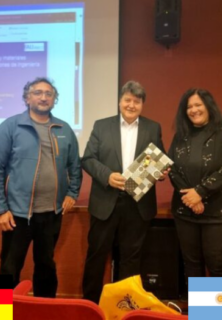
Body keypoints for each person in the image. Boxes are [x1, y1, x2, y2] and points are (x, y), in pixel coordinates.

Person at [0, 77, 82, 297]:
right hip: (17, 214)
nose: (43, 97)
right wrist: (0, 209)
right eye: (37, 92)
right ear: (27, 97)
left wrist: (73, 193)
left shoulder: (64, 129)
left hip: (52, 213)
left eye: (49, 93)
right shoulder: (10, 126)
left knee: (46, 266)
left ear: (54, 99)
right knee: (10, 267)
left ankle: (44, 311)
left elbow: (75, 166)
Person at [81, 80, 166, 303]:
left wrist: (160, 170)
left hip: (138, 204)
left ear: (142, 105)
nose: (131, 105)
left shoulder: (153, 127)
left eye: (136, 101)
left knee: (131, 259)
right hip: (105, 202)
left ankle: (124, 307)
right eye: (127, 100)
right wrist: (106, 176)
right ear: (119, 102)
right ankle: (89, 305)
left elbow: (160, 158)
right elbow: (88, 159)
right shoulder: (101, 125)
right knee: (97, 256)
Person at [168, 88, 222, 278]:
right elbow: (172, 169)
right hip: (185, 211)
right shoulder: (181, 135)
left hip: (221, 213)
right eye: (189, 107)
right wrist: (192, 198)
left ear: (208, 106)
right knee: (192, 266)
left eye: (198, 105)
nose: (193, 110)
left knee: (219, 266)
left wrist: (200, 192)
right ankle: (199, 309)